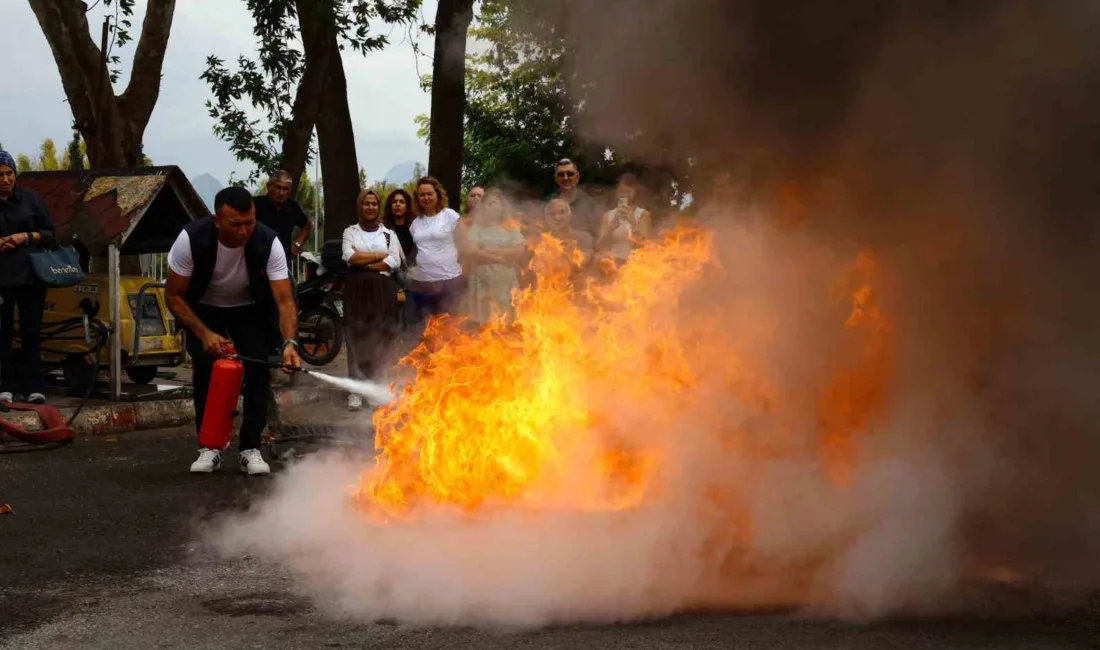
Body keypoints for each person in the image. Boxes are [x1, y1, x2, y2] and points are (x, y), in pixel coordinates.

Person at [165, 186, 301, 475]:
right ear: (217, 220)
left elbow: (284, 300)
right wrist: (204, 334)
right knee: (206, 369)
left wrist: (290, 342)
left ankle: (251, 447)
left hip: (249, 308)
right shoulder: (191, 239)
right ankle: (210, 447)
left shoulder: (269, 241)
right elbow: (173, 296)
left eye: (249, 222)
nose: (244, 231)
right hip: (203, 308)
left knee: (258, 369)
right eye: (235, 224)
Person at [0, 150, 55, 405]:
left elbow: (50, 234)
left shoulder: (32, 199)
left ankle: (34, 386)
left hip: (32, 277)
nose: (5, 179)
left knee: (31, 333)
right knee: (2, 334)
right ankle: (5, 386)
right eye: (0, 175)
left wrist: (26, 237)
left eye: (9, 173)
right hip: (2, 279)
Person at [341, 189, 401, 411]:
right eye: (366, 203)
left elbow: (394, 261)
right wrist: (378, 256)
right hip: (356, 290)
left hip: (382, 291)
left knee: (379, 337)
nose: (370, 207)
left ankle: (374, 388)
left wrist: (364, 263)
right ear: (360, 206)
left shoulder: (389, 235)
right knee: (356, 336)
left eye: (374, 203)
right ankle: (356, 391)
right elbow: (349, 256)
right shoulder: (350, 232)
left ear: (378, 207)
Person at [405, 176, 469, 323]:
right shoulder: (415, 223)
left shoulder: (450, 215)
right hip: (423, 284)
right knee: (427, 327)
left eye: (430, 194)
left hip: (450, 281)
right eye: (422, 195)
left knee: (450, 326)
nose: (426, 198)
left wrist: (464, 270)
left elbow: (465, 244)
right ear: (417, 198)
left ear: (438, 195)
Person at [463, 189, 527, 323]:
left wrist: (494, 249)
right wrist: (499, 259)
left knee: (506, 318)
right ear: (483, 207)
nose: (492, 207)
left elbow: (519, 250)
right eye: (489, 204)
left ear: (502, 206)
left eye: (496, 203)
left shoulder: (510, 227)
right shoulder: (477, 228)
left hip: (506, 278)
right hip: (482, 278)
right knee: (484, 321)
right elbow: (473, 252)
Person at [254, 170, 312, 279]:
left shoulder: (292, 207)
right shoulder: (255, 205)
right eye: (278, 187)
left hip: (283, 262)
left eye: (285, 189)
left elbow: (306, 226)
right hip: (257, 263)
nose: (281, 193)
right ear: (268, 186)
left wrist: (297, 245)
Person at [595, 173, 654, 263]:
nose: (625, 195)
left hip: (634, 263)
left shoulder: (643, 215)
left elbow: (647, 246)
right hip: (611, 263)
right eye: (621, 192)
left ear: (634, 192)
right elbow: (599, 247)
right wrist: (610, 228)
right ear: (616, 193)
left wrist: (633, 224)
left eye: (628, 192)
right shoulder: (607, 215)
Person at [382, 188, 417, 330]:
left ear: (407, 206)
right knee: (393, 319)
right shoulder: (383, 229)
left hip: (413, 278)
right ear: (390, 206)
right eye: (394, 202)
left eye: (402, 202)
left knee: (412, 318)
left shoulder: (415, 227)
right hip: (391, 279)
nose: (398, 204)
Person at [549, 158, 601, 238]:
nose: (565, 178)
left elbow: (597, 235)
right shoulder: (548, 203)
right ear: (556, 178)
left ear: (577, 177)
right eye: (561, 174)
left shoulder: (589, 204)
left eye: (570, 174)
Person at [544, 198, 594, 267]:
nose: (557, 217)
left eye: (561, 212)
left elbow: (582, 262)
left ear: (570, 215)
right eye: (552, 214)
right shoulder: (542, 240)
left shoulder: (584, 237)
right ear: (547, 218)